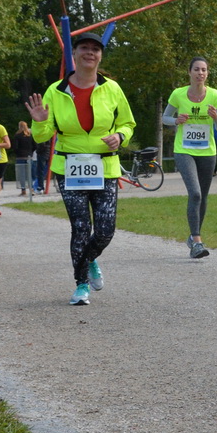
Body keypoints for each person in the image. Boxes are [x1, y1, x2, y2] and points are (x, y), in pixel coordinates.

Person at [28, 29, 136, 305]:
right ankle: (81, 285)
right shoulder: (56, 91)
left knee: (105, 230)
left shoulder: (112, 88)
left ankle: (88, 259)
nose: (90, 53)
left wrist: (120, 136)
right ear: (74, 54)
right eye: (84, 48)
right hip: (69, 167)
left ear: (100, 56)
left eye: (95, 49)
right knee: (80, 227)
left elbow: (128, 123)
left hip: (105, 167)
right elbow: (42, 136)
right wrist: (39, 121)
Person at [165, 57, 217, 258]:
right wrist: (176, 120)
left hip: (207, 152)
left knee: (203, 197)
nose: (201, 73)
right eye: (197, 69)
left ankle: (193, 237)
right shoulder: (178, 94)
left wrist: (215, 118)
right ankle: (197, 242)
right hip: (184, 150)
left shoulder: (215, 95)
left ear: (207, 73)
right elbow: (164, 118)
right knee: (196, 193)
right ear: (189, 72)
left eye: (204, 70)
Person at [11, 120, 37, 197]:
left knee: (22, 175)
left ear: (19, 126)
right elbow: (35, 146)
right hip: (29, 157)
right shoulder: (30, 135)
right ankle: (31, 190)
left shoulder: (17, 135)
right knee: (30, 174)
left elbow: (15, 147)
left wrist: (18, 153)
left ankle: (23, 190)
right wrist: (30, 152)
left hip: (20, 157)